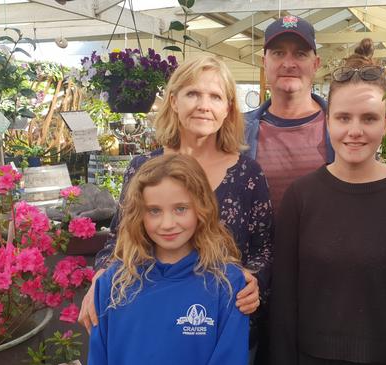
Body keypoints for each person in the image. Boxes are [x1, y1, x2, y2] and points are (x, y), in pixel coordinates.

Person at [270, 38, 386, 365]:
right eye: (344, 118)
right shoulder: (301, 197)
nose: (355, 131)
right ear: (327, 120)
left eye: (369, 118)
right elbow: (284, 303)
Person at [80, 56, 272, 344]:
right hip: (154, 321)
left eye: (216, 96)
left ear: (228, 108)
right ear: (173, 101)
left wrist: (253, 281)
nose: (203, 105)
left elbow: (265, 248)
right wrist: (101, 279)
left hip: (223, 323)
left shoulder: (247, 173)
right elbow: (118, 240)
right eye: (193, 93)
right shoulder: (143, 168)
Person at [88, 154, 248, 365]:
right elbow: (99, 358)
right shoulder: (113, 283)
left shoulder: (227, 283)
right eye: (154, 211)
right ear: (139, 214)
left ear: (202, 208)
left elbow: (231, 359)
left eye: (180, 209)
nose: (167, 224)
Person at [244, 15, 334, 211]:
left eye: (300, 54)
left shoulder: (340, 127)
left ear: (316, 64)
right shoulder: (238, 130)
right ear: (264, 62)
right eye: (278, 53)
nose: (288, 63)